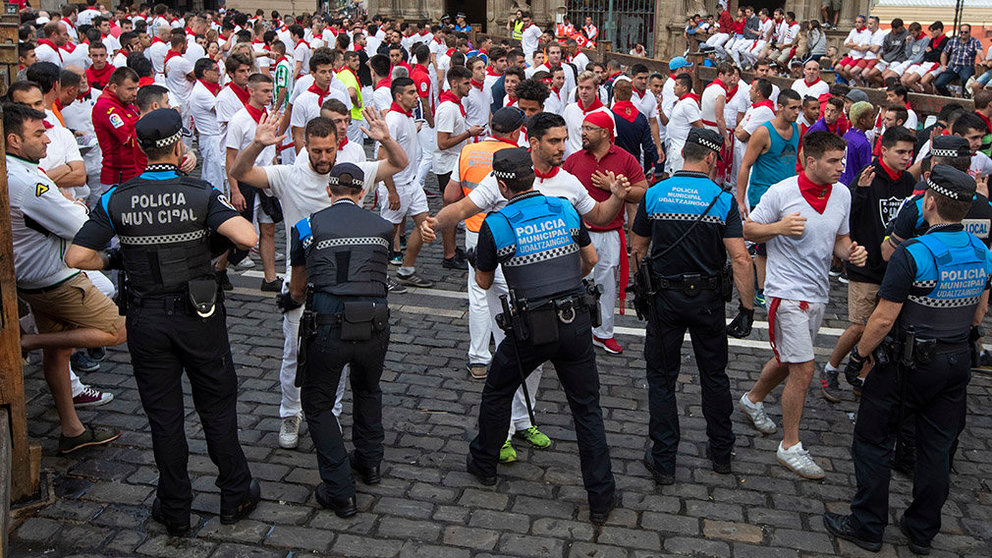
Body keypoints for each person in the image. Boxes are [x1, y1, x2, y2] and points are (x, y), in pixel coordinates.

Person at [65, 108, 261, 535]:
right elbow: (247, 236)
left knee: (164, 416)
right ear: (178, 147)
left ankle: (175, 507)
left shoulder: (115, 197)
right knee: (217, 406)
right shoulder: (199, 192)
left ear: (138, 147)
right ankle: (235, 493)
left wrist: (116, 257)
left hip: (145, 315)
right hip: (199, 314)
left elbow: (76, 257)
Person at [423, 111, 631, 460]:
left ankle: (523, 420)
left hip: (550, 293)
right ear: (532, 143)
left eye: (565, 140)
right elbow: (461, 208)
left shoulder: (568, 182)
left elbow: (597, 216)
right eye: (554, 141)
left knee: (538, 360)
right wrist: (432, 222)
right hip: (507, 287)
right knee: (510, 358)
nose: (562, 147)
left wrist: (617, 195)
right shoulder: (503, 178)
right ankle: (499, 433)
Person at [823, 164, 992, 555]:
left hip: (907, 364)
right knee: (936, 448)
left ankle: (867, 524)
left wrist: (857, 358)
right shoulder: (981, 251)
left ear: (929, 202)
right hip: (955, 362)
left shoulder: (914, 253)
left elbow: (882, 318)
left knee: (873, 439)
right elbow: (980, 313)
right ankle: (921, 531)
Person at [230, 108, 408, 450]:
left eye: (329, 150)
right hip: (301, 285)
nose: (323, 157)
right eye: (316, 151)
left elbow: (398, 164)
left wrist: (385, 138)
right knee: (294, 353)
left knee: (337, 357)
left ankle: (331, 412)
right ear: (305, 147)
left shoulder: (350, 175)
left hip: (342, 287)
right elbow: (240, 172)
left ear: (338, 145)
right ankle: (291, 414)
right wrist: (255, 144)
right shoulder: (287, 175)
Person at [466, 147, 620, 526]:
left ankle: (484, 462)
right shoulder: (564, 209)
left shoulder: (497, 223)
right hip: (574, 321)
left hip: (530, 326)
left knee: (499, 389)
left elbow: (484, 280)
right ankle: (601, 496)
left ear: (502, 184)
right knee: (586, 408)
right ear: (532, 177)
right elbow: (591, 261)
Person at [737, 131, 868, 479]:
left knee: (788, 360)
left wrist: (851, 253)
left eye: (842, 160)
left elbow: (840, 238)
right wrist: (778, 227)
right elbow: (747, 229)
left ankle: (751, 400)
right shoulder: (782, 192)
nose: (842, 167)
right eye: (833, 161)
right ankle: (790, 446)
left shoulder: (841, 194)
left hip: (818, 290)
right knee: (804, 368)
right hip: (786, 291)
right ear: (810, 162)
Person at [631, 128, 754, 484]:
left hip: (664, 298)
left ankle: (665, 460)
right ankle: (720, 453)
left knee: (661, 378)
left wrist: (643, 289)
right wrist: (746, 310)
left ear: (684, 152)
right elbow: (741, 259)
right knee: (714, 376)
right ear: (712, 158)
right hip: (707, 300)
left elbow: (638, 248)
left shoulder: (655, 193)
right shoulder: (721, 199)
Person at [7, 102, 123, 451]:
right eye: (38, 134)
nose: (46, 140)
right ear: (14, 140)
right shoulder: (27, 182)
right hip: (55, 279)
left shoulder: (21, 170)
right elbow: (80, 227)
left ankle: (72, 431)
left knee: (60, 355)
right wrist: (75, 206)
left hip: (35, 275)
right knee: (117, 331)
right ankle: (27, 342)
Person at [821, 126, 918, 400]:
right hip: (865, 265)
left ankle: (862, 379)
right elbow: (847, 218)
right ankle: (831, 367)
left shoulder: (907, 182)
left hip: (895, 266)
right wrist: (860, 192)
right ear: (883, 150)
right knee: (861, 326)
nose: (906, 158)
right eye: (900, 152)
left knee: (882, 329)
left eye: (909, 153)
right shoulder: (867, 178)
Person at [564, 111, 648, 355]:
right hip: (577, 236)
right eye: (583, 128)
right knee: (574, 284)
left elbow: (643, 191)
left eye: (589, 128)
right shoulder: (574, 159)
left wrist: (617, 190)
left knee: (606, 285)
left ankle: (604, 333)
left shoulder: (625, 158)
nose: (583, 133)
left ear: (605, 133)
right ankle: (574, 332)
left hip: (610, 233)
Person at [225, 72, 282, 292]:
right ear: (251, 91)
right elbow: (231, 158)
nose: (270, 95)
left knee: (268, 230)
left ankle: (270, 278)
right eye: (265, 91)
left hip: (266, 180)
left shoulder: (266, 117)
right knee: (239, 235)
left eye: (271, 91)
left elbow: (270, 152)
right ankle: (220, 267)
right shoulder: (239, 119)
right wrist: (234, 190)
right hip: (245, 182)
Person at [435, 64, 484, 270]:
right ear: (454, 83)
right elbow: (442, 143)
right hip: (447, 165)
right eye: (466, 83)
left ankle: (453, 249)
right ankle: (448, 255)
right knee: (451, 212)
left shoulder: (454, 105)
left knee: (454, 212)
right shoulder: (448, 108)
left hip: (455, 162)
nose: (469, 87)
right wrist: (468, 134)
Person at [92, 66, 140, 196]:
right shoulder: (105, 106)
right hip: (117, 178)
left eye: (136, 88)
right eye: (130, 89)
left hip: (130, 174)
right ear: (114, 87)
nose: (135, 93)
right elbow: (128, 137)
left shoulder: (125, 102)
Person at [611, 80, 659, 175]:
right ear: (631, 95)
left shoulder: (610, 116)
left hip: (614, 165)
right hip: (634, 165)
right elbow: (648, 148)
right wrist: (647, 170)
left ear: (615, 95)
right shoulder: (641, 117)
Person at [563, 71, 612, 158]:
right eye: (581, 88)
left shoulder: (606, 114)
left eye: (588, 88)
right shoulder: (569, 109)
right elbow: (564, 136)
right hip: (572, 161)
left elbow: (610, 143)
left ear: (597, 88)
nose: (583, 91)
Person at [666, 74, 704, 173]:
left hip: (681, 151)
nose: (674, 87)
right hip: (675, 147)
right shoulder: (681, 102)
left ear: (684, 88)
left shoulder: (688, 104)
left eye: (677, 84)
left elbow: (699, 127)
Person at [934, 24, 984, 97]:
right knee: (938, 83)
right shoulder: (953, 41)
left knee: (965, 79)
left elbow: (979, 51)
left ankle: (965, 98)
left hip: (967, 67)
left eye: (965, 32)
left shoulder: (975, 41)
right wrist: (944, 65)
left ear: (969, 32)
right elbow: (944, 53)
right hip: (953, 67)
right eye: (961, 32)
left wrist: (983, 60)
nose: (963, 34)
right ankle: (949, 97)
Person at [839, 101, 877, 187]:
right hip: (853, 185)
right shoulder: (863, 143)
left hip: (841, 182)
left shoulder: (847, 135)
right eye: (872, 117)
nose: (874, 119)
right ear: (862, 121)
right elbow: (866, 171)